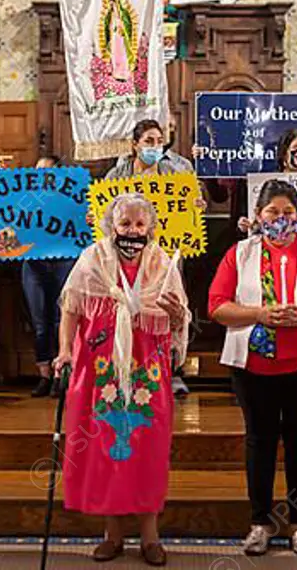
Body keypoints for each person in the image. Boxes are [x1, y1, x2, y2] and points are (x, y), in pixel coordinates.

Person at [209, 179, 297, 556]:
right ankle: (259, 523)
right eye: (273, 212)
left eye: (289, 212)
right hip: (253, 366)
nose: (281, 219)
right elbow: (217, 306)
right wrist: (259, 313)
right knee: (260, 442)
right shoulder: (240, 254)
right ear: (258, 216)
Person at [53, 193, 189, 566]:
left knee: (146, 450)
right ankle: (111, 534)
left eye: (139, 224)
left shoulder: (164, 265)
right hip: (100, 374)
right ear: (111, 225)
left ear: (151, 228)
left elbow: (178, 323)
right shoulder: (90, 261)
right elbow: (71, 309)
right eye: (125, 223)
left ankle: (150, 537)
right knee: (105, 452)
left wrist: (178, 317)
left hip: (148, 372)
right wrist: (65, 349)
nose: (132, 231)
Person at [105, 118, 199, 398]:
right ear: (135, 144)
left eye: (159, 141)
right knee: (130, 309)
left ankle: (172, 369)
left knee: (169, 307)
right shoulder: (117, 175)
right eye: (148, 141)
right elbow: (105, 215)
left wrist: (196, 206)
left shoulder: (177, 171)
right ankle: (127, 368)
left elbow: (191, 211)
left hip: (166, 253)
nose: (155, 147)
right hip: (126, 257)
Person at [22, 156, 77, 398]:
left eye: (46, 171)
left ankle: (61, 375)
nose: (41, 176)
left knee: (59, 320)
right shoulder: (25, 200)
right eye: (37, 171)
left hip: (64, 262)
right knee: (40, 324)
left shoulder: (71, 200)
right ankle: (44, 374)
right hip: (34, 265)